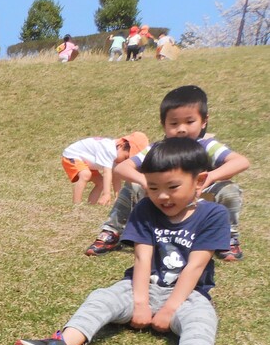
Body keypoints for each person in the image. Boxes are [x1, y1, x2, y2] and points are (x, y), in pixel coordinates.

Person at [15, 138, 230, 345]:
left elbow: (195, 267)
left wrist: (171, 308)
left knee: (203, 320)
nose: (162, 196)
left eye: (172, 187)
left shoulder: (214, 215)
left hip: (188, 295)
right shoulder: (145, 209)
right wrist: (140, 302)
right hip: (140, 286)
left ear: (199, 181)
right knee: (102, 297)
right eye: (153, 188)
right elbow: (142, 257)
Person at [84, 85, 250, 260]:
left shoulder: (207, 146)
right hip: (162, 197)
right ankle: (112, 232)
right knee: (131, 185)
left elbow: (241, 162)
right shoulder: (158, 148)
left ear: (204, 121)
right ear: (163, 124)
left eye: (189, 121)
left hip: (199, 199)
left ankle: (228, 238)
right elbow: (122, 168)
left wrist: (210, 178)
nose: (181, 129)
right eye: (174, 123)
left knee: (229, 190)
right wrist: (144, 181)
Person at [61, 132, 149, 205]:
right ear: (121, 145)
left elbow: (116, 176)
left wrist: (118, 196)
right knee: (85, 174)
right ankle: (76, 204)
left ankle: (90, 205)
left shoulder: (116, 155)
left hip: (87, 161)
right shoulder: (109, 150)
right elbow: (107, 172)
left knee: (101, 183)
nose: (123, 161)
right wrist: (106, 194)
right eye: (125, 157)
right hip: (72, 155)